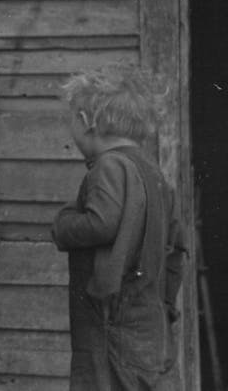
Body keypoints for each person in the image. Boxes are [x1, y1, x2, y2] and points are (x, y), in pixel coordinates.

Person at [51, 64, 186, 390]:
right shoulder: (153, 173)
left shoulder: (109, 166)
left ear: (86, 122)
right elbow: (176, 247)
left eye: (72, 120)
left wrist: (63, 224)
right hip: (148, 316)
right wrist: (165, 304)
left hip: (110, 316)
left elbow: (102, 223)